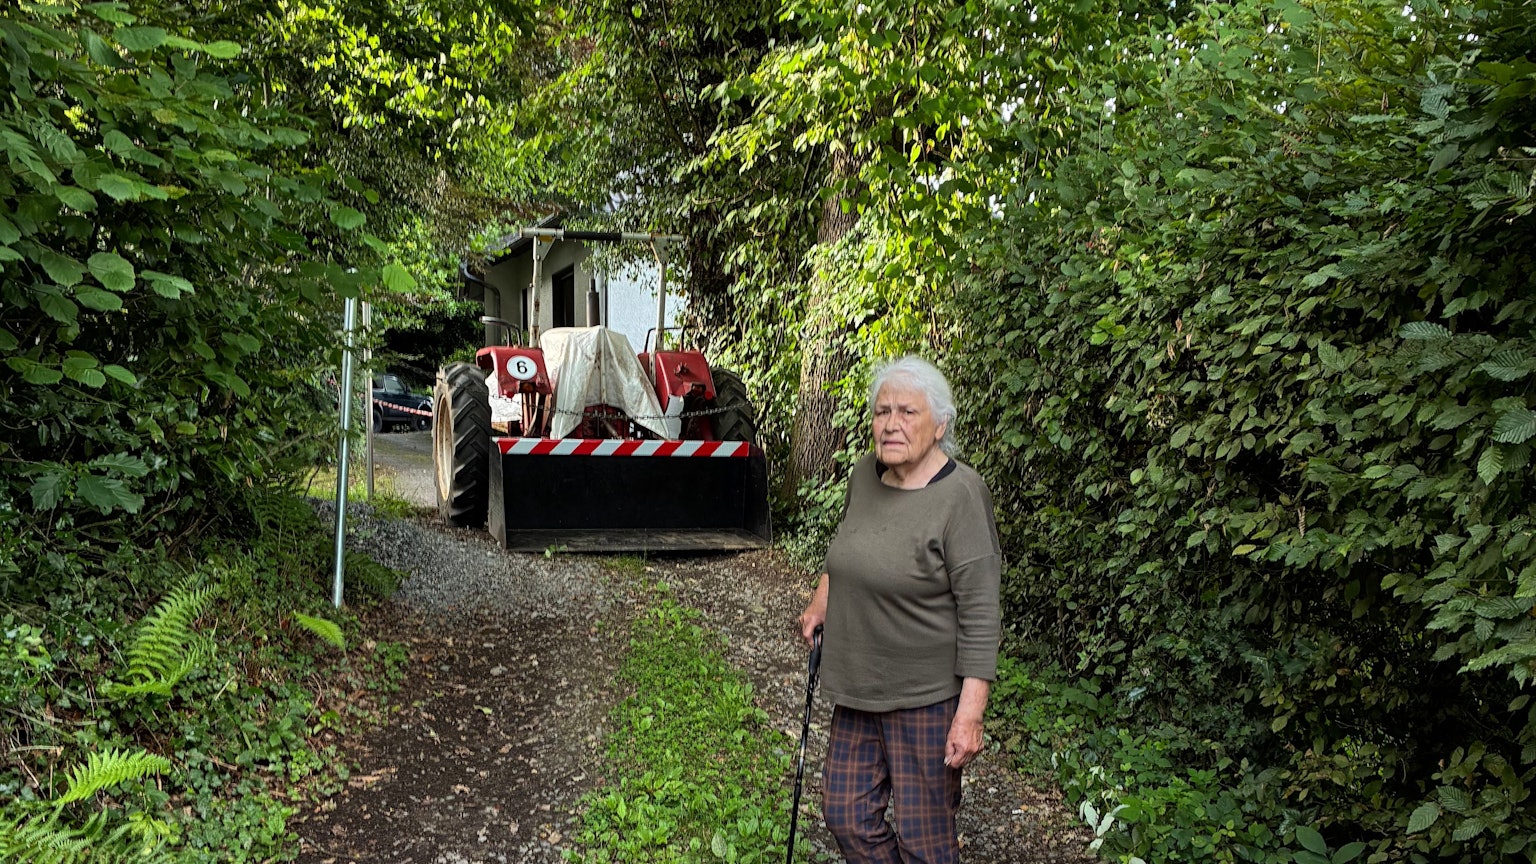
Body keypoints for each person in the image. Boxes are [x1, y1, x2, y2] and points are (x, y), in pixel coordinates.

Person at [798, 355, 1002, 864]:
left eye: (907, 412)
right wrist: (824, 598)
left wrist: (970, 713)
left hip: (926, 697)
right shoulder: (864, 477)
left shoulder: (961, 495)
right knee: (846, 813)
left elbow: (981, 611)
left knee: (924, 842)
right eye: (881, 411)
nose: (890, 424)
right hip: (858, 686)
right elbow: (847, 547)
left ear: (940, 425)